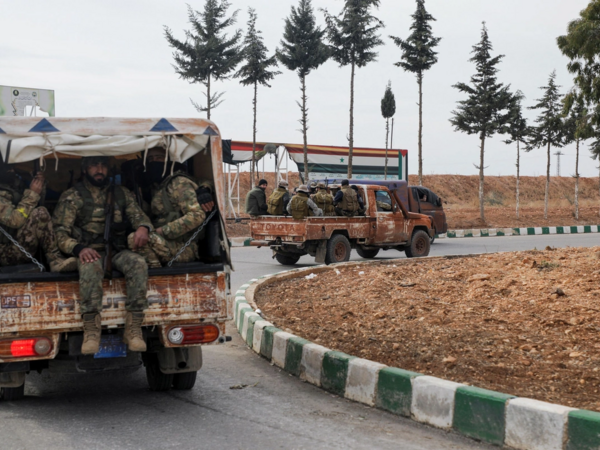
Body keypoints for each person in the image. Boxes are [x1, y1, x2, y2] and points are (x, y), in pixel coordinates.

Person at [53, 156, 153, 355]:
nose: (99, 169)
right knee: (91, 265)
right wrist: (79, 248)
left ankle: (133, 329)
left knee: (138, 263)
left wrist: (143, 227)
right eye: (94, 165)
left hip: (116, 250)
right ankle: (91, 330)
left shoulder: (121, 193)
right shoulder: (73, 196)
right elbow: (59, 232)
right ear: (85, 169)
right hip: (88, 251)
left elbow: (139, 216)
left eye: (103, 165)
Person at [131, 147, 212, 268]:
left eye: (159, 158)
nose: (155, 162)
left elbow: (197, 215)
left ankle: (156, 275)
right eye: (150, 159)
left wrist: (162, 232)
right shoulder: (157, 186)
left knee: (134, 239)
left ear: (169, 161)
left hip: (184, 247)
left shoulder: (179, 182)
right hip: (166, 243)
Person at [0, 162, 75, 272]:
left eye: (13, 168)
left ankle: (55, 260)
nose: (12, 171)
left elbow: (31, 209)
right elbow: (15, 220)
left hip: (16, 246)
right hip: (5, 254)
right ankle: (54, 259)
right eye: (8, 169)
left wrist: (39, 185)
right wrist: (33, 194)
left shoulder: (13, 187)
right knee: (40, 213)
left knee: (41, 212)